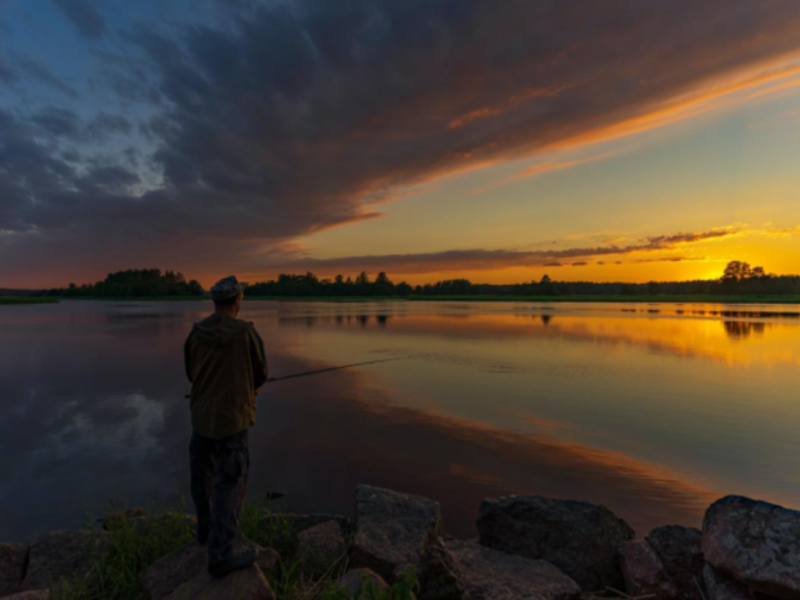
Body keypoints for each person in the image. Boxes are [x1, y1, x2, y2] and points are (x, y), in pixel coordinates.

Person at [184, 275, 269, 578]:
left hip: (202, 419)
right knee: (229, 483)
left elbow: (192, 374)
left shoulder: (195, 334)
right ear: (237, 302)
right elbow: (261, 373)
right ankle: (219, 556)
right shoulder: (245, 333)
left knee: (202, 477)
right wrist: (245, 387)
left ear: (214, 302)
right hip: (232, 421)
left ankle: (205, 532)